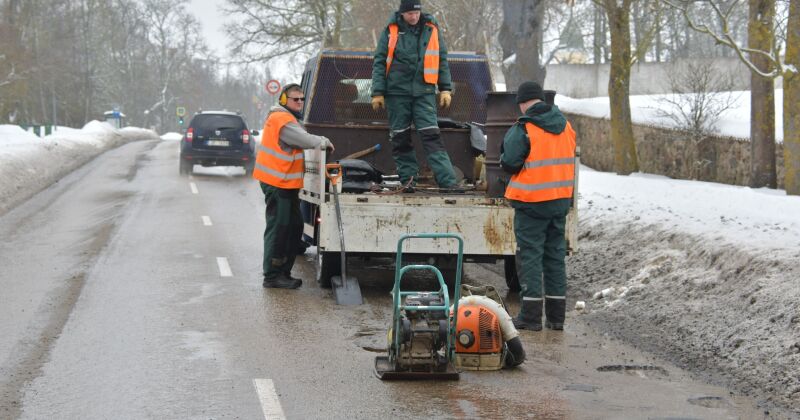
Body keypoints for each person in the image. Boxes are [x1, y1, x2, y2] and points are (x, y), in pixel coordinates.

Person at [501, 81, 576, 331]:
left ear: (523, 103)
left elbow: (509, 162)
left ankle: (531, 317)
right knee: (555, 258)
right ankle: (556, 318)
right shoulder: (566, 126)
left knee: (530, 258)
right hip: (559, 203)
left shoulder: (525, 128)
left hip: (532, 204)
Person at [370, 0, 461, 192]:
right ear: (402, 13)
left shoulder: (431, 29)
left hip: (424, 92)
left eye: (416, 13)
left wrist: (445, 88)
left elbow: (441, 59)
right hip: (396, 94)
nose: (414, 17)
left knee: (431, 136)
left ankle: (448, 182)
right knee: (401, 138)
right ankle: (409, 181)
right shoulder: (391, 30)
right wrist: (377, 92)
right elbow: (379, 61)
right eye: (410, 13)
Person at [253, 83, 334, 289]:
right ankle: (272, 276)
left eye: (302, 99)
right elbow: (305, 140)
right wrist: (324, 141)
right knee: (279, 229)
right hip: (277, 183)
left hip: (286, 184)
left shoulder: (288, 119)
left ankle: (283, 272)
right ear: (283, 100)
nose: (299, 102)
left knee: (294, 227)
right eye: (295, 99)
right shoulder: (282, 120)